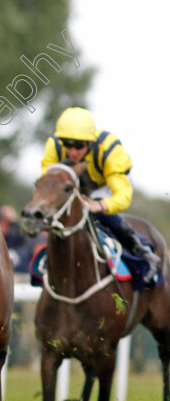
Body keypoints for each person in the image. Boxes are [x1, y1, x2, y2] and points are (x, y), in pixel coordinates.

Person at [41, 107, 161, 281]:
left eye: (79, 145)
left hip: (108, 185)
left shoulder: (109, 148)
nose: (73, 151)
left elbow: (123, 196)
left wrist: (99, 205)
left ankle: (139, 248)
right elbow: (46, 182)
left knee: (94, 206)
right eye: (67, 144)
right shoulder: (54, 145)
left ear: (90, 142)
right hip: (76, 186)